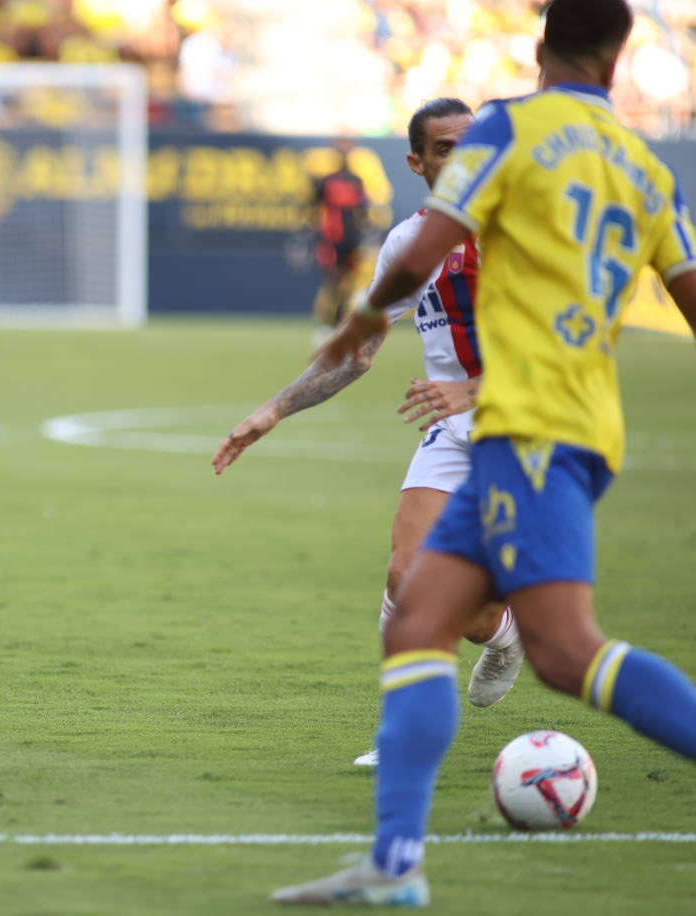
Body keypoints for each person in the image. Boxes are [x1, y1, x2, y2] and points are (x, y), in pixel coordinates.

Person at [271, 0, 696, 905]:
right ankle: (395, 867)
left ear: (540, 49)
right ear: (622, 59)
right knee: (418, 616)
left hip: (531, 425)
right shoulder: (650, 173)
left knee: (567, 652)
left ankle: (395, 862)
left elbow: (424, 246)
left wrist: (362, 310)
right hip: (567, 424)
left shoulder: (511, 128)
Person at [213, 98, 524, 771]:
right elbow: (357, 352)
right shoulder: (410, 243)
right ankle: (415, 725)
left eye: (470, 143)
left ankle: (503, 626)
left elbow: (568, 348)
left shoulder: (522, 228)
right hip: (453, 434)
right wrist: (272, 409)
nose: (460, 156)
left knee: (489, 605)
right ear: (416, 162)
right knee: (404, 577)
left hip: (530, 432)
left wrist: (475, 389)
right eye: (443, 147)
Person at [309, 137, 370, 338]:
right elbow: (313, 208)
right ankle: (328, 324)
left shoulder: (356, 181)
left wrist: (365, 233)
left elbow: (362, 212)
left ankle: (340, 322)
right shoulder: (326, 181)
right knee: (333, 281)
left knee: (349, 282)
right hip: (333, 238)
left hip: (352, 237)